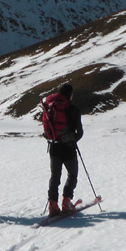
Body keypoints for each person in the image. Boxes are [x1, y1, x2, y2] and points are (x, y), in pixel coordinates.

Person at [42, 83, 84, 216]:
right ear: (70, 95)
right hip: (69, 148)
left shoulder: (50, 108)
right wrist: (72, 139)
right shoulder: (73, 109)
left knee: (55, 176)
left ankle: (52, 206)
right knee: (72, 174)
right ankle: (66, 202)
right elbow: (80, 132)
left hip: (54, 147)